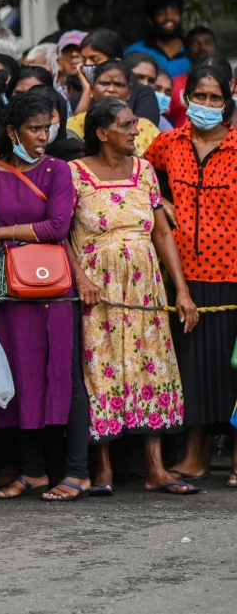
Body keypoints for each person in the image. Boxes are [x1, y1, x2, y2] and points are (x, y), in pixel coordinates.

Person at [68, 98, 200, 496]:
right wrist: (80, 281)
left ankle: (156, 468)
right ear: (102, 132)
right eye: (126, 125)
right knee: (101, 366)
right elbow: (62, 234)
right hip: (99, 290)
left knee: (150, 365)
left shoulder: (144, 172)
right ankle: (103, 469)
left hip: (144, 287)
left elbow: (161, 233)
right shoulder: (75, 174)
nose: (135, 131)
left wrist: (182, 290)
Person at [0, 94, 92, 502]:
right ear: (11, 132)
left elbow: (58, 226)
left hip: (52, 289)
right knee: (20, 374)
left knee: (65, 375)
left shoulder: (59, 170)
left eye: (48, 128)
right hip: (10, 285)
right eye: (34, 129)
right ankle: (33, 471)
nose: (43, 137)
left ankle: (78, 471)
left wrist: (6, 233)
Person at [144, 65, 237, 488]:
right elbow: (136, 179)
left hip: (231, 273)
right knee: (193, 368)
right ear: (187, 98)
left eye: (215, 98)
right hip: (183, 273)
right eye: (199, 96)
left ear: (228, 99)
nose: (206, 105)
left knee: (232, 368)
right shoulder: (167, 144)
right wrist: (162, 201)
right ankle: (195, 454)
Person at [67, 62, 160, 156]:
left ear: (129, 93)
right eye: (105, 83)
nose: (111, 89)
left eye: (118, 84)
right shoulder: (72, 124)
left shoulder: (147, 128)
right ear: (92, 89)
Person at [77, 30, 160, 123]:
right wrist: (87, 93)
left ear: (116, 61)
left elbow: (145, 131)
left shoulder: (141, 93)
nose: (88, 64)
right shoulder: (79, 97)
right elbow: (74, 130)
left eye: (95, 59)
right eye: (84, 60)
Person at [124, 0, 190, 78]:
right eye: (161, 14)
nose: (169, 18)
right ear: (150, 21)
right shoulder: (135, 51)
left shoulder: (192, 50)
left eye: (174, 12)